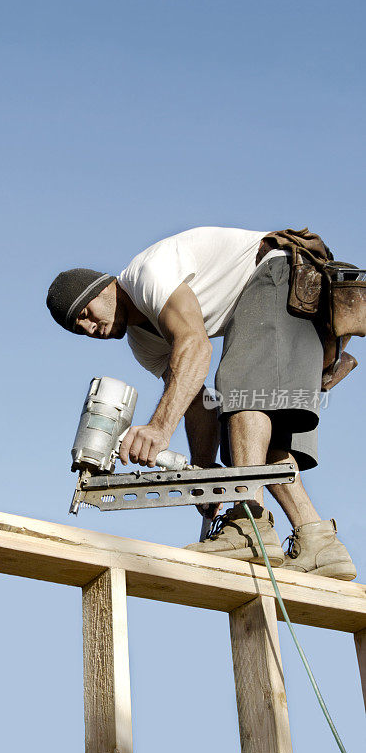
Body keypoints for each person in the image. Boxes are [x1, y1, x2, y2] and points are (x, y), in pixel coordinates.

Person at [46, 226, 357, 580]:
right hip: (283, 302)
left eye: (85, 313)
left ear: (103, 287)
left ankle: (248, 524)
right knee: (251, 435)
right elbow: (199, 403)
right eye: (79, 328)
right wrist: (203, 471)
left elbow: (196, 346)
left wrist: (159, 428)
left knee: (242, 394)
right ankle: (319, 542)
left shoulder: (146, 276)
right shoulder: (142, 343)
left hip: (281, 274)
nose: (88, 328)